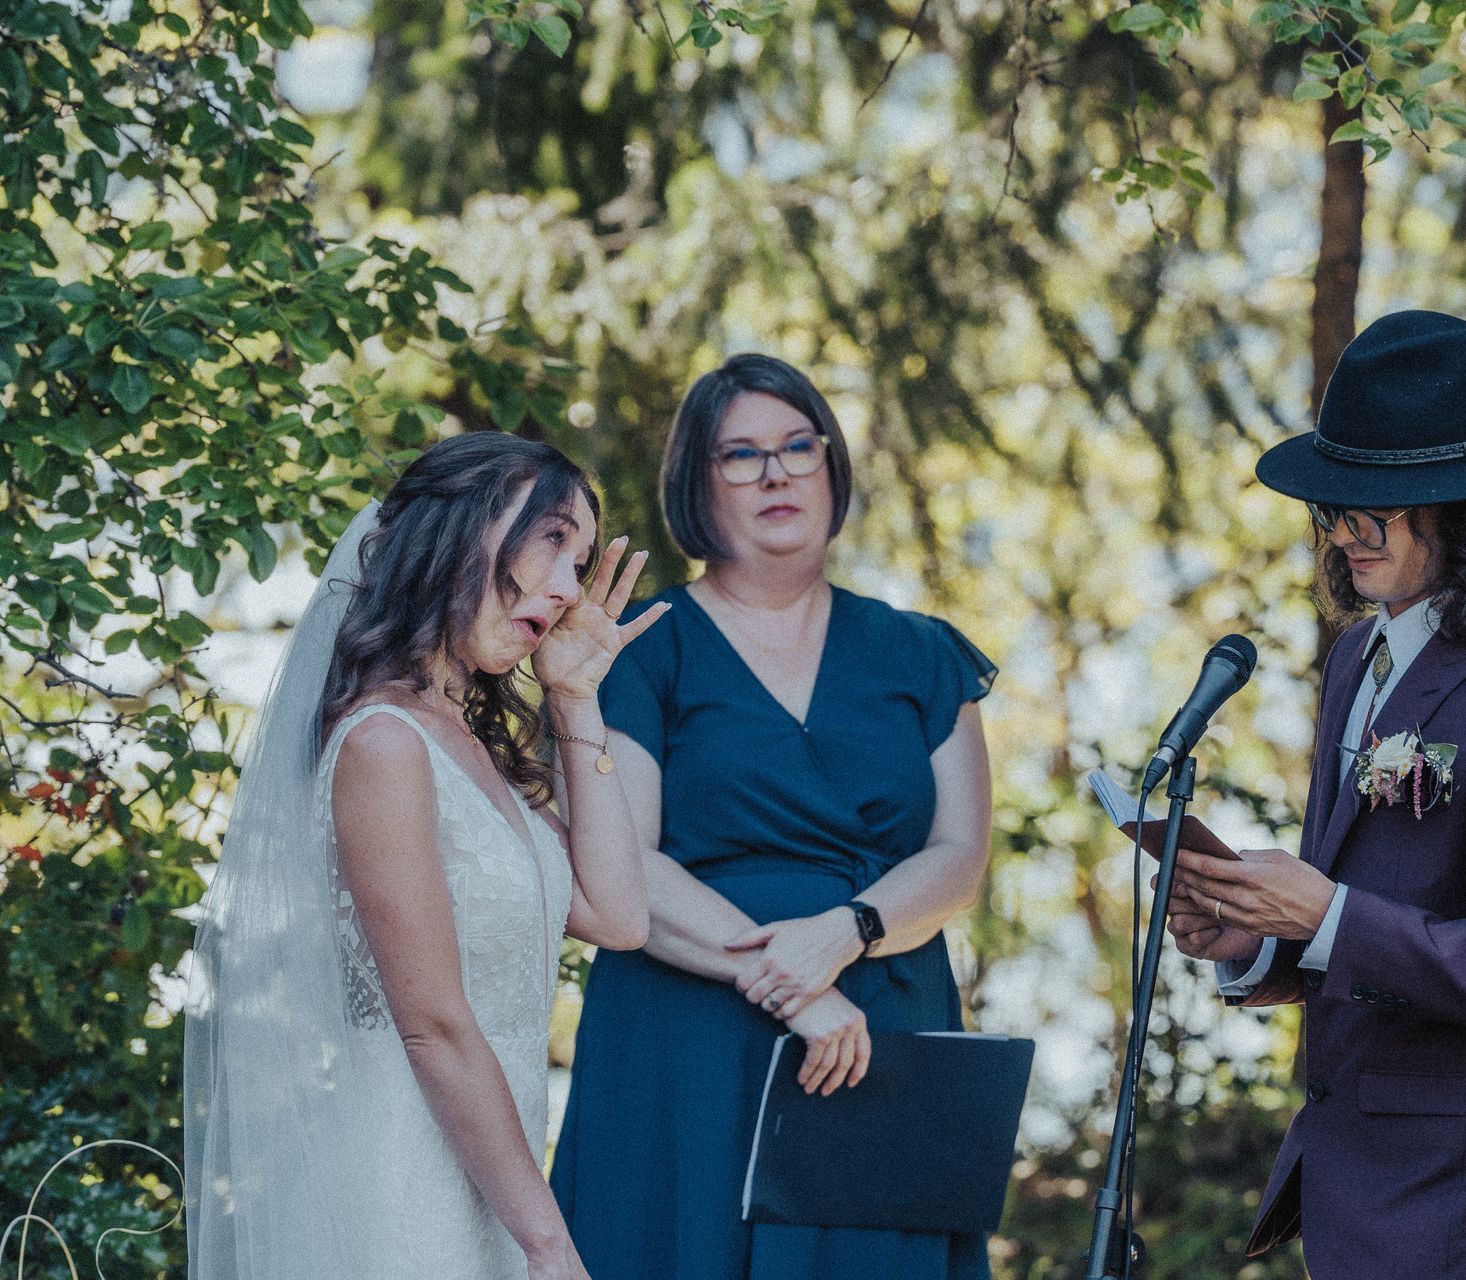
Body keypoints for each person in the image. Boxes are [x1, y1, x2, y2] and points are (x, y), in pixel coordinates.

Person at [1166, 310, 1466, 1280]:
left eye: (1371, 502)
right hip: (1350, 1193)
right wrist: (1253, 942)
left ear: (1465, 506)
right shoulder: (1354, 660)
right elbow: (1364, 938)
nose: (1338, 528)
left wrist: (1327, 915)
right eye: (1333, 501)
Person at [550, 354, 996, 1280]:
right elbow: (621, 863)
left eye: (799, 446)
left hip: (883, 1021)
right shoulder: (641, 645)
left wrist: (850, 931)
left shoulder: (924, 652)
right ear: (697, 486)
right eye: (741, 455)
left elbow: (959, 855)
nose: (778, 472)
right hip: (688, 1025)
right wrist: (793, 987)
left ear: (832, 465)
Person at [185, 432, 670, 1280]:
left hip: (497, 1186)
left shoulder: (477, 747)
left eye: (582, 559)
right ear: (461, 531)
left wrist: (574, 698)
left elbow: (621, 917)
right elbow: (434, 1026)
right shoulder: (384, 742)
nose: (567, 588)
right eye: (554, 539)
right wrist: (550, 1242)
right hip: (403, 1187)